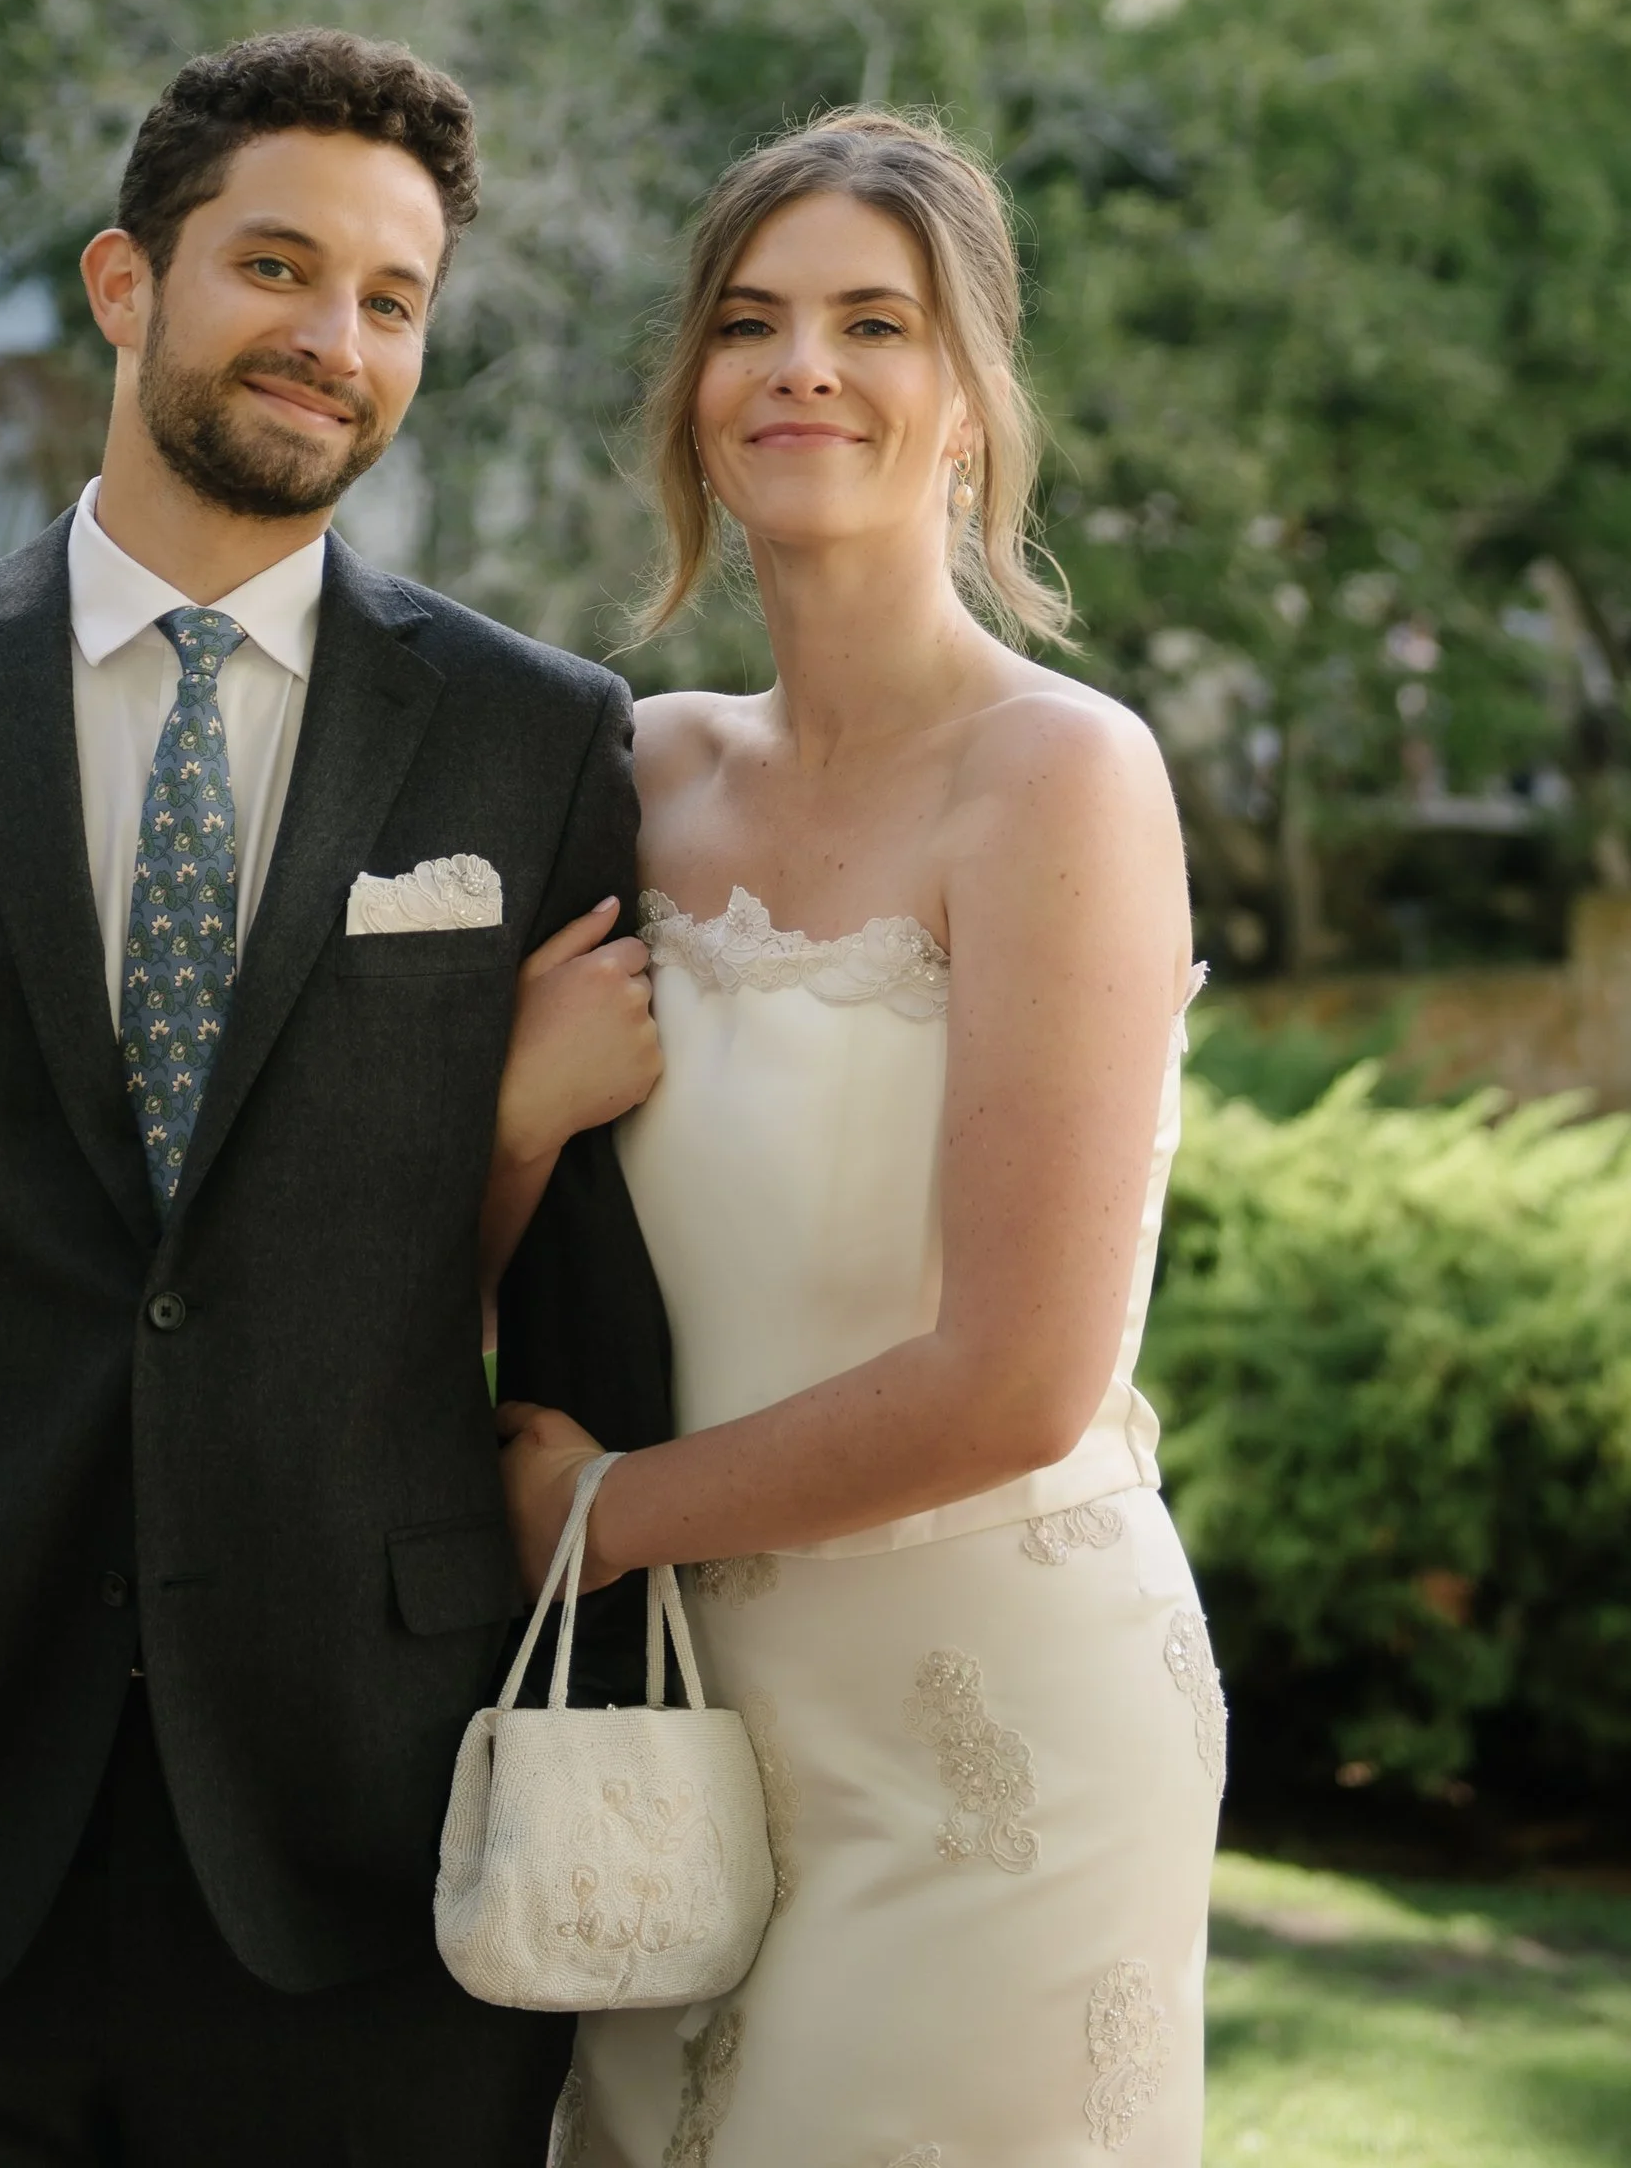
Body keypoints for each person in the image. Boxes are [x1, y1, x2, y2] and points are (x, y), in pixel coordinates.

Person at [0, 28, 670, 2168]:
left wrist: (562, 1763)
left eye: (389, 300)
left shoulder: (533, 748)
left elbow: (586, 1342)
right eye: (276, 267)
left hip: (369, 1870)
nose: (332, 340)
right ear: (124, 283)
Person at [494, 110, 1219, 2168]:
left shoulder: (1060, 777)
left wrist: (595, 1515)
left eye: (871, 323)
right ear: (695, 406)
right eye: (749, 322)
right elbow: (459, 1231)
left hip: (987, 1734)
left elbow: (1017, 1376)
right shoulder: (629, 774)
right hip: (658, 1739)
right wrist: (517, 1119)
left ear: (971, 406)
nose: (801, 365)